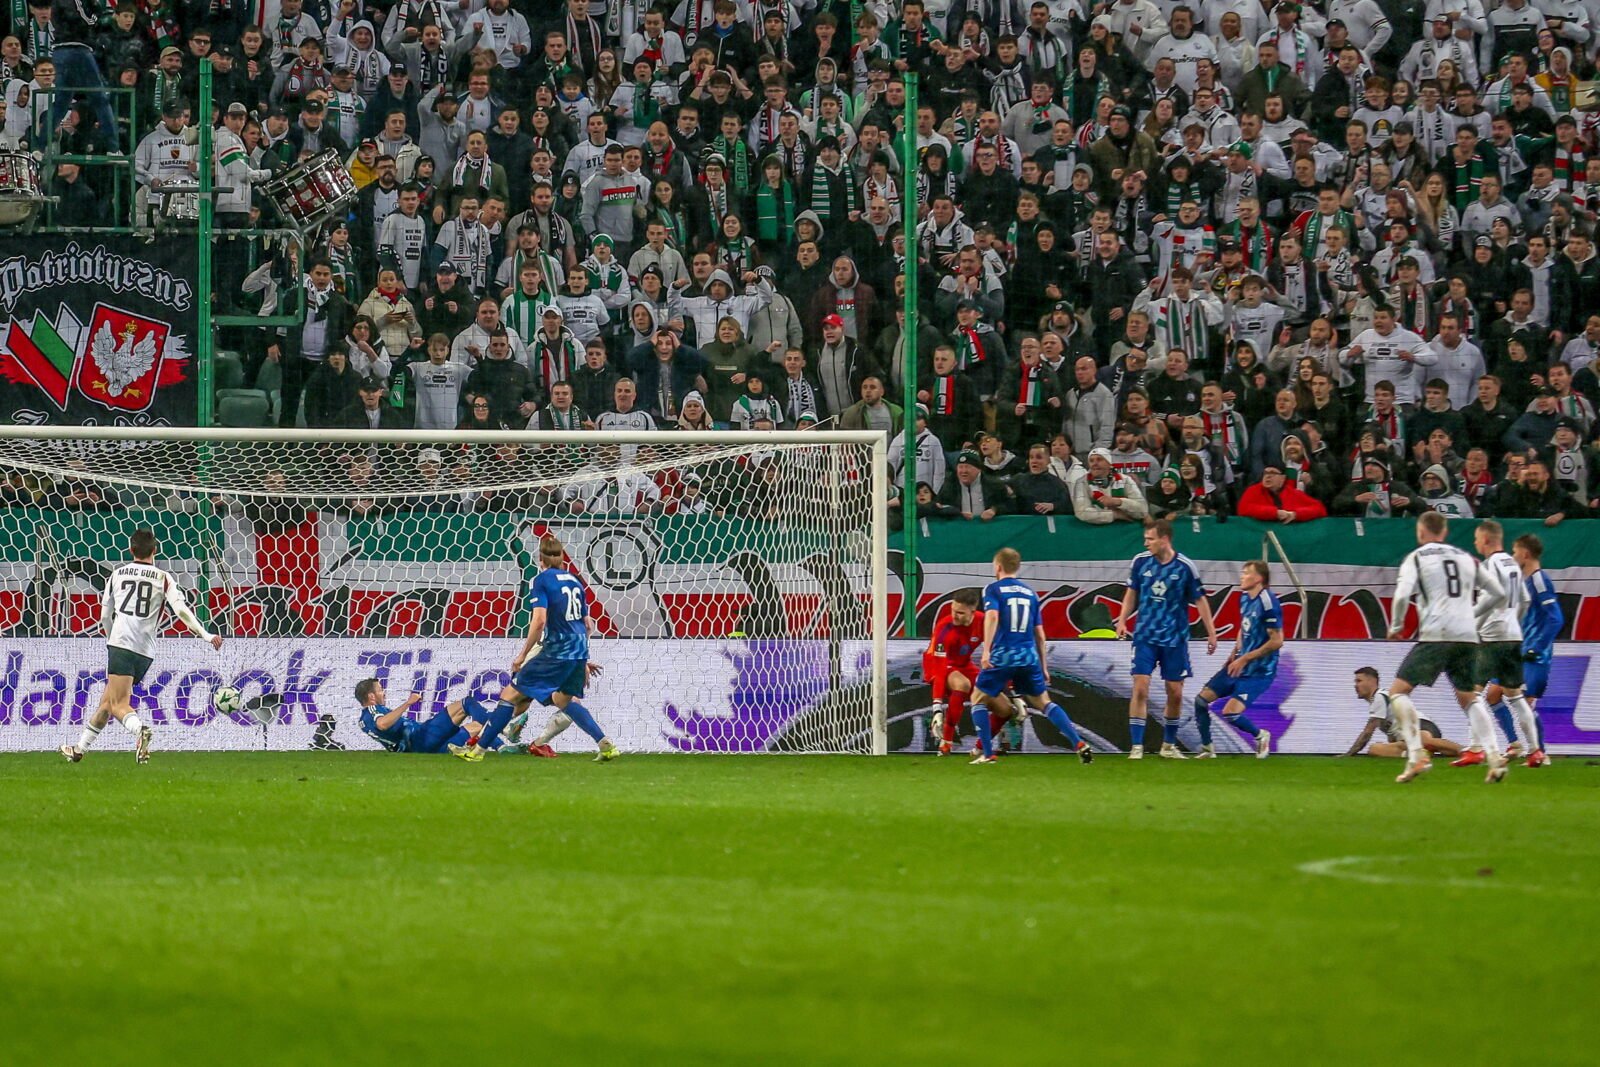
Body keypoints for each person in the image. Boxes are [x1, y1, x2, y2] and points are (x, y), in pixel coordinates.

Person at [60, 529, 223, 764]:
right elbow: (181, 611)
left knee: (118, 704)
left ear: (130, 550)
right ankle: (79, 749)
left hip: (121, 644)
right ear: (154, 550)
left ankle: (140, 731)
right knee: (107, 703)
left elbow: (105, 614)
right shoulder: (163, 577)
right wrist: (206, 635)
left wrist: (111, 638)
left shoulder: (117, 574)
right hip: (145, 652)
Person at [455, 534, 616, 762]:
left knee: (509, 695)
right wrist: (582, 658)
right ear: (562, 559)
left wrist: (522, 655)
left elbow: (539, 621)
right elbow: (588, 624)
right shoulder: (575, 581)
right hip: (578, 649)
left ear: (541, 560)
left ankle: (477, 751)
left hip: (555, 650)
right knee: (564, 701)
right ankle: (604, 743)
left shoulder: (541, 580)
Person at [1385, 511, 1507, 785]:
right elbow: (1498, 593)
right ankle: (1495, 756)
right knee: (1469, 697)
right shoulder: (1467, 558)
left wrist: (1396, 626)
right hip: (1466, 636)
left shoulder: (1417, 557)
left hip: (1437, 634)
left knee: (1397, 693)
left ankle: (1417, 755)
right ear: (1444, 531)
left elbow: (1403, 594)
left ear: (1421, 532)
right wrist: (1473, 614)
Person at [969, 548, 1094, 766]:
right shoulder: (1030, 593)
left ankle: (987, 754)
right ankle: (1078, 743)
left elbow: (991, 616)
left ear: (998, 567)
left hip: (1004, 654)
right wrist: (1044, 666)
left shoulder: (993, 589)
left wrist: (987, 650)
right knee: (1044, 702)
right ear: (1016, 567)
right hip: (1029, 656)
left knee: (977, 698)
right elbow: (1040, 634)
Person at [1115, 518, 1219, 760]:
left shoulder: (1185, 567)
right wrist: (1122, 620)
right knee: (1140, 686)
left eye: (1150, 539)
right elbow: (1132, 592)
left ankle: (1168, 746)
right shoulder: (1140, 562)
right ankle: (1137, 747)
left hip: (1174, 639)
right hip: (1145, 636)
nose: (1146, 543)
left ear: (1165, 539)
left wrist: (1211, 631)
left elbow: (1200, 600)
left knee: (1175, 692)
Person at [1468, 524, 1547, 769]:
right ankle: (1535, 751)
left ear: (1485, 540)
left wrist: (1471, 622)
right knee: (1514, 696)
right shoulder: (1513, 564)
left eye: (1476, 539)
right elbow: (1524, 599)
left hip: (1492, 636)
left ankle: (1475, 749)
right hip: (1513, 636)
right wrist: (1515, 621)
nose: (1475, 544)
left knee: (1471, 693)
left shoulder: (1490, 565)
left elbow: (1492, 597)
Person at [1190, 561, 1279, 759]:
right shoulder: (1245, 598)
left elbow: (1277, 641)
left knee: (1231, 713)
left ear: (1258, 578)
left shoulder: (1268, 602)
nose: (1242, 576)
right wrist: (1235, 653)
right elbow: (1245, 627)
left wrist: (1245, 658)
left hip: (1259, 671)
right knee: (1201, 701)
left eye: (1246, 573)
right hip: (1239, 663)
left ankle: (1260, 735)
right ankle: (1207, 749)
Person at [1341, 667, 1463, 759]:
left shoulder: (1379, 696)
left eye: (1359, 681)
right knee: (1374, 749)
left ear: (1371, 681)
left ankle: (1464, 750)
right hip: (1406, 739)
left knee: (1423, 739)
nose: (1355, 685)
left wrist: (1349, 754)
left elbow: (1368, 732)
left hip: (1420, 725)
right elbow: (1392, 734)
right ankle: (1419, 753)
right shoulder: (1378, 702)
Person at [355, 679, 501, 754]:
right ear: (371, 696)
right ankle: (503, 729)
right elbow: (382, 724)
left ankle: (503, 747)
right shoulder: (373, 710)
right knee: (467, 703)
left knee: (477, 727)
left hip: (429, 748)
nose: (384, 693)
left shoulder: (364, 720)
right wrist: (408, 703)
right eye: (380, 690)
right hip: (421, 738)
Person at [924, 588, 982, 757]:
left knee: (999, 701)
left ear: (973, 611)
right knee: (962, 684)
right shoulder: (944, 628)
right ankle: (946, 743)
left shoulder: (983, 622)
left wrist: (1011, 689)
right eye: (952, 611)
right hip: (939, 665)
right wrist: (937, 708)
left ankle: (983, 747)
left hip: (964, 665)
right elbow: (940, 670)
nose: (954, 616)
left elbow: (997, 649)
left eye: (960, 613)